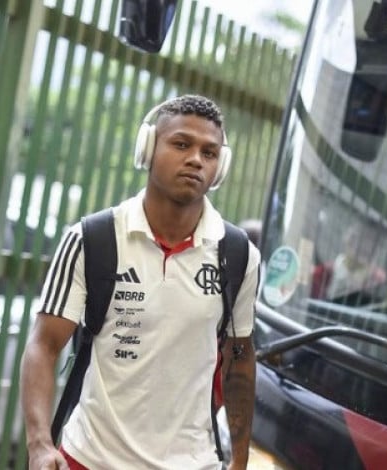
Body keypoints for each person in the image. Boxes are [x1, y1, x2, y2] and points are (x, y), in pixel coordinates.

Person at [20, 94, 260, 470]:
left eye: (209, 152)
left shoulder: (238, 255)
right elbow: (43, 345)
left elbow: (240, 357)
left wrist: (240, 460)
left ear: (221, 166)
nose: (196, 159)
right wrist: (39, 445)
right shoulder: (91, 239)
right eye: (181, 144)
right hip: (90, 460)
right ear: (147, 149)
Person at [311, 223, 386, 305]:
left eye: (373, 244)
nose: (366, 247)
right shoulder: (324, 272)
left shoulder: (376, 282)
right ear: (349, 241)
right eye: (362, 240)